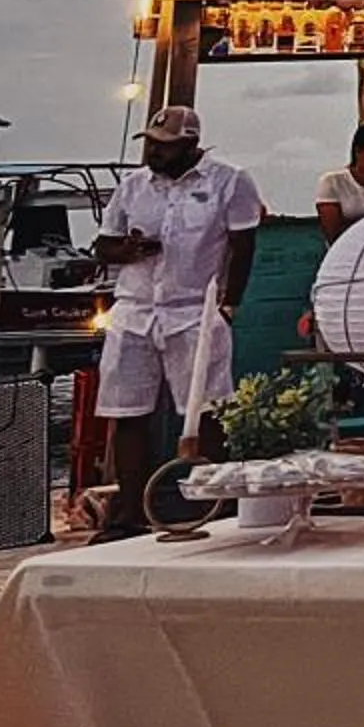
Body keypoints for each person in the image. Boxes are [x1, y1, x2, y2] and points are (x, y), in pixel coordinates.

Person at [90, 106, 262, 541]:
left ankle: (213, 506)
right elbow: (103, 245)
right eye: (150, 144)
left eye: (163, 147)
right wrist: (126, 249)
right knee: (127, 410)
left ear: (189, 146)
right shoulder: (133, 186)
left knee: (207, 411)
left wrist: (230, 304)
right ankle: (130, 511)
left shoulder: (229, 181)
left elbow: (243, 245)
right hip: (136, 306)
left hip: (194, 308)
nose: (153, 153)